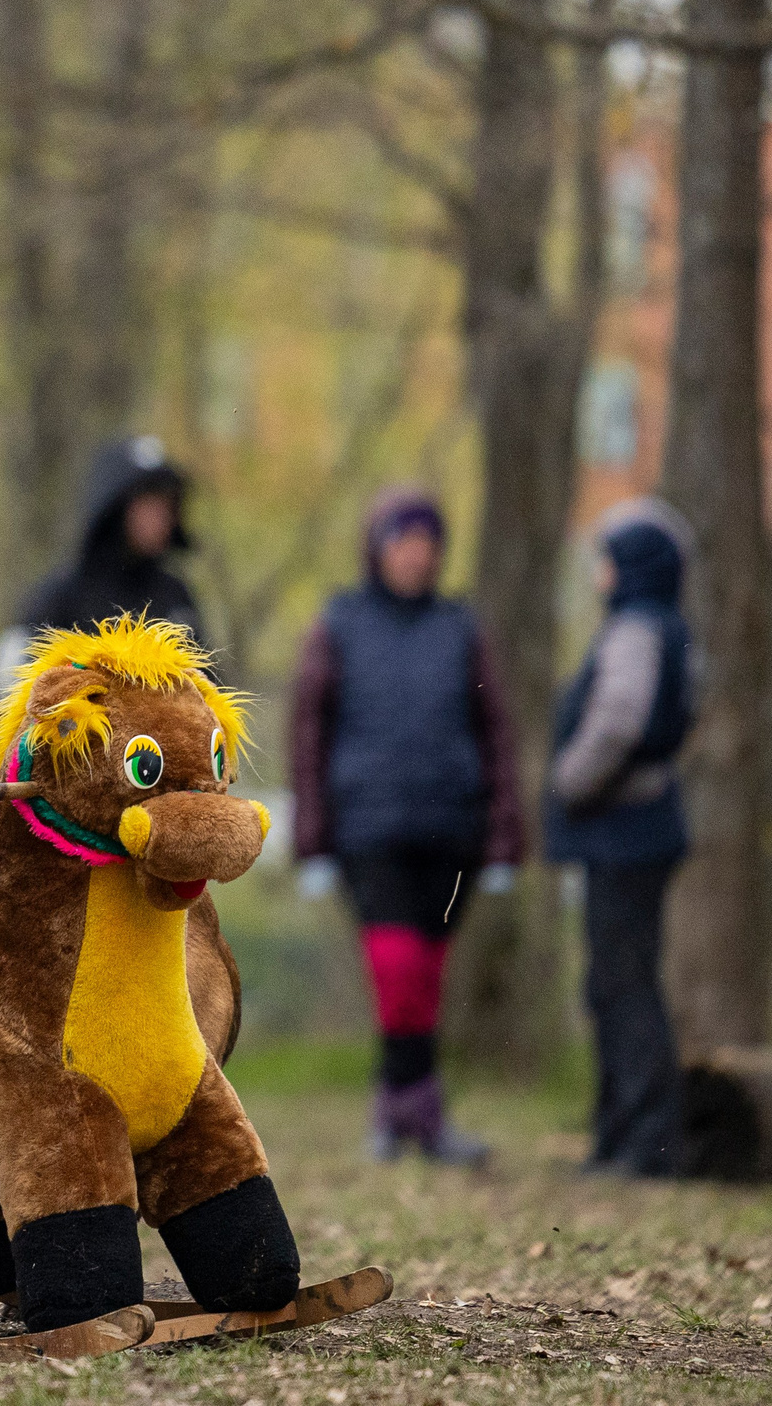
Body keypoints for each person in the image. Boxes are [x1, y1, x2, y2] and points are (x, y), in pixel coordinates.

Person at [289, 487, 521, 1165]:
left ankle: (408, 1112)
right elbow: (309, 728)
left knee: (427, 977)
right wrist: (312, 837)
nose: (417, 556)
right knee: (396, 968)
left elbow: (497, 731)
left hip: (454, 829)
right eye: (404, 542)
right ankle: (409, 1106)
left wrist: (505, 835)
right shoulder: (339, 623)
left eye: (428, 544)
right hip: (369, 827)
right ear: (379, 548)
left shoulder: (462, 627)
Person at [547, 498, 696, 1179]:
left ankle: (645, 1141)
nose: (600, 570)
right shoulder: (662, 626)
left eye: (609, 557)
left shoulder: (637, 628)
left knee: (623, 984)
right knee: (614, 982)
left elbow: (617, 723)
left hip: (626, 831)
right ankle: (620, 1135)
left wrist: (567, 780)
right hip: (637, 830)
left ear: (633, 565)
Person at [0, 434, 202, 685]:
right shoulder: (61, 598)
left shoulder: (176, 598)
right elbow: (6, 684)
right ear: (115, 509)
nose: (161, 518)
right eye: (149, 504)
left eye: (167, 506)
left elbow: (211, 691)